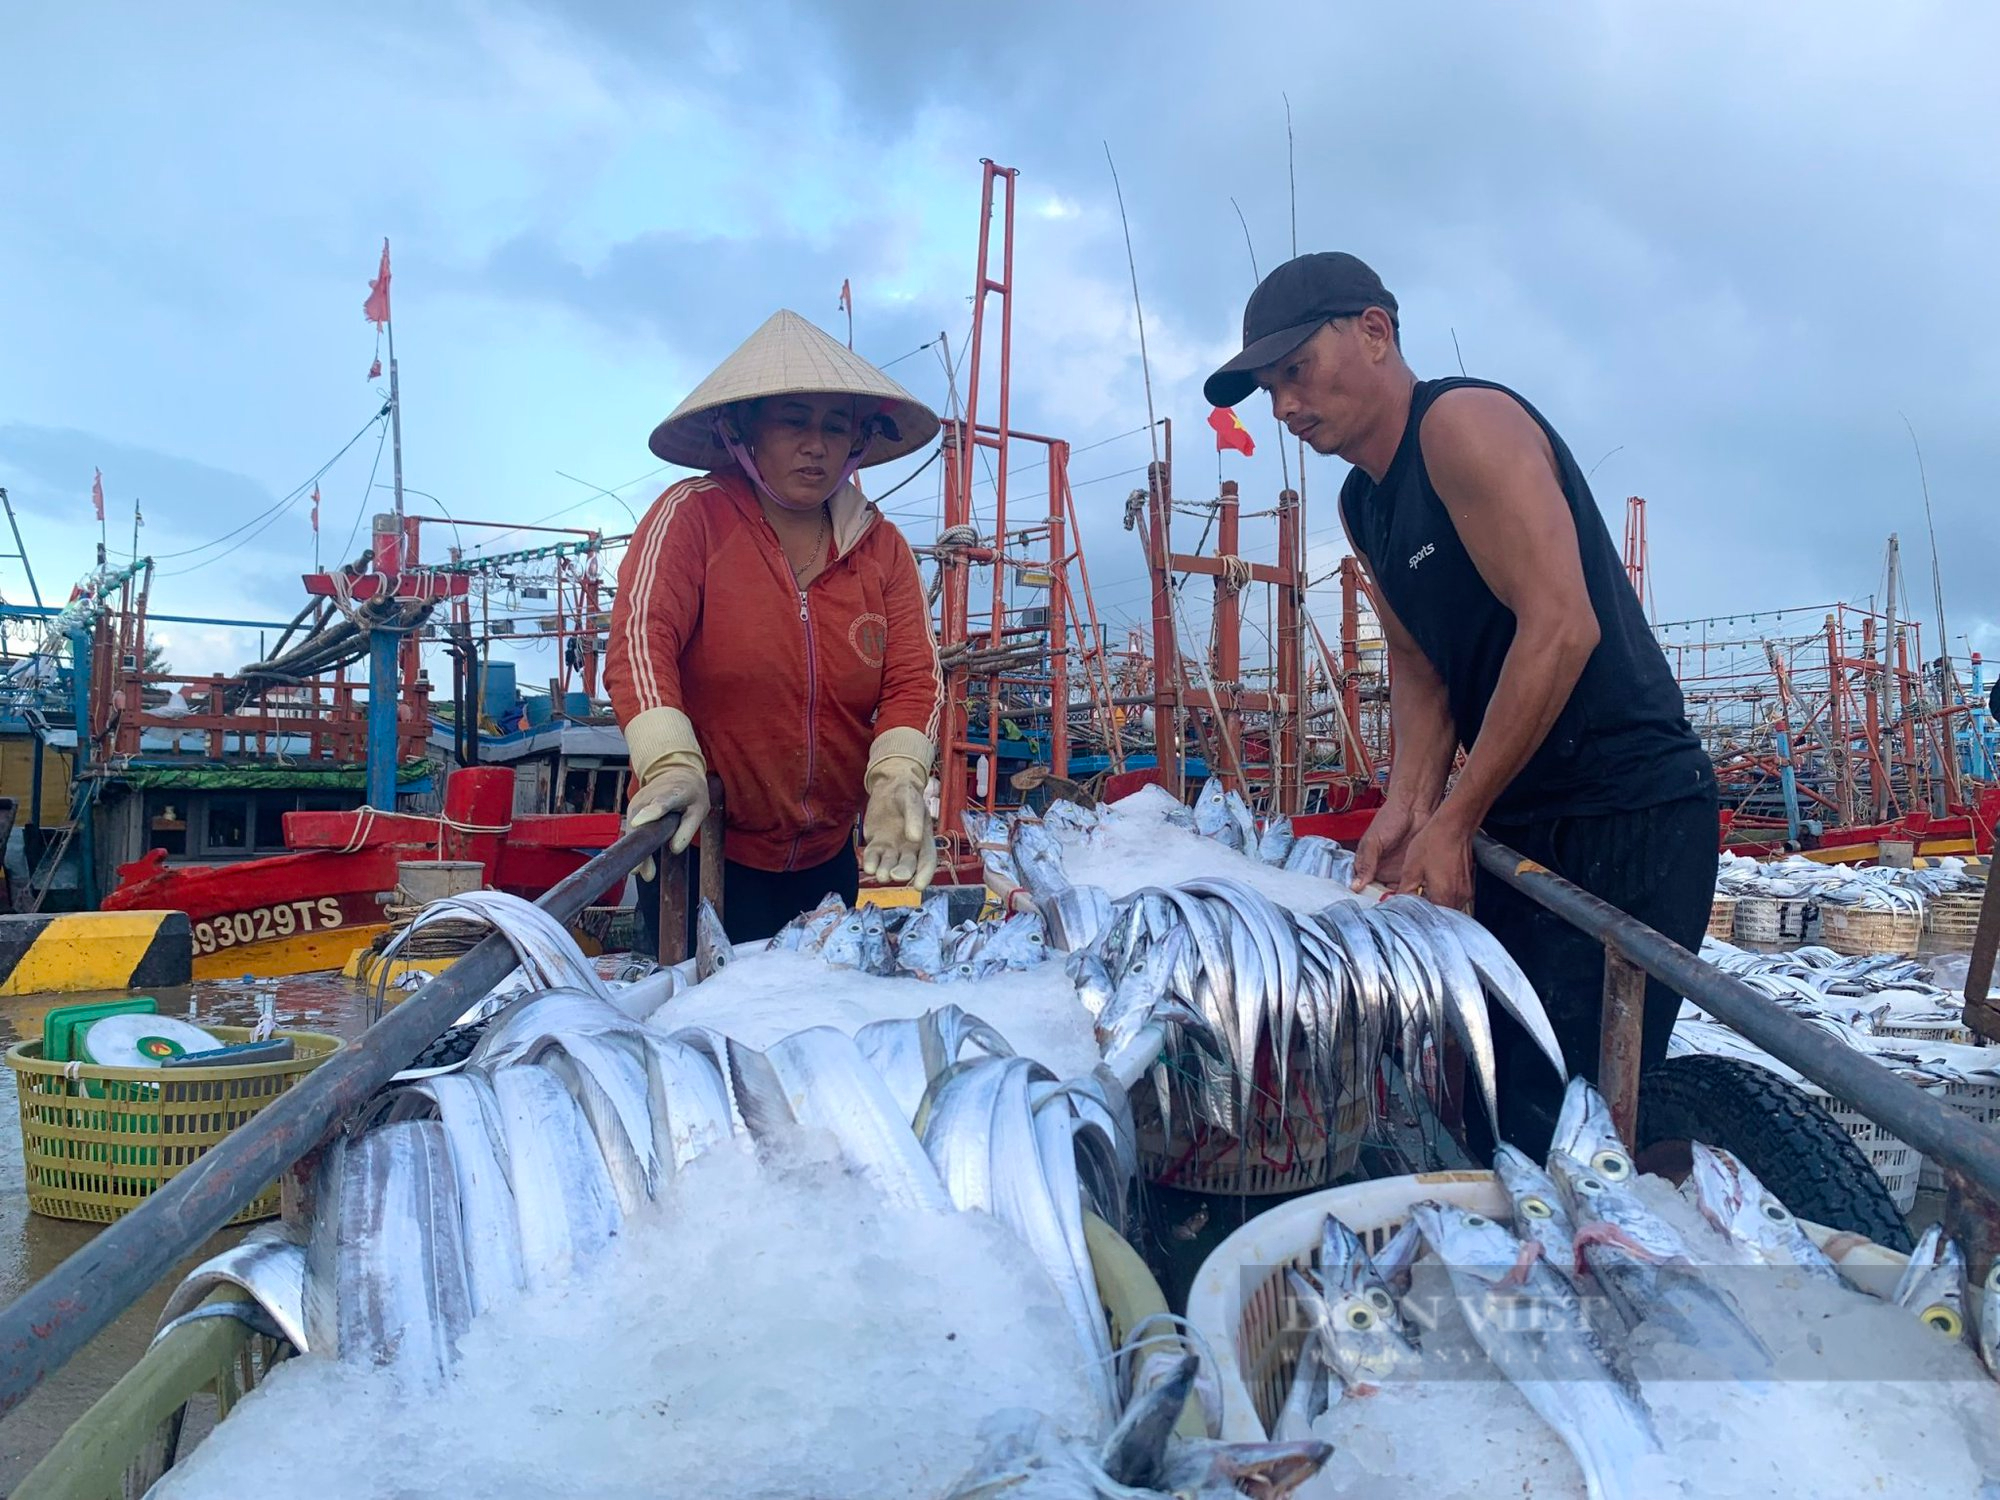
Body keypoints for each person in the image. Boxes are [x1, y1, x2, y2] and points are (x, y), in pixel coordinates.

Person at [1204, 252, 1719, 1160]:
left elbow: (1562, 626)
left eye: (1294, 372)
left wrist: (1457, 816)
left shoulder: (1462, 422)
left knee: (1567, 1115)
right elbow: (1419, 669)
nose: (1282, 407)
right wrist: (1408, 811)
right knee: (1488, 1095)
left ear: (1375, 330)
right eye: (1266, 388)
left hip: (1626, 808)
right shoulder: (1365, 499)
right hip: (1523, 820)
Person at [607, 309, 943, 950]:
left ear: (857, 443)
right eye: (793, 421)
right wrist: (669, 763)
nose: (815, 444)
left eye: (835, 426)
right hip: (700, 853)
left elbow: (914, 678)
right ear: (743, 430)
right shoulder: (691, 518)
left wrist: (899, 773)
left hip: (827, 862)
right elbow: (638, 642)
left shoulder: (882, 549)